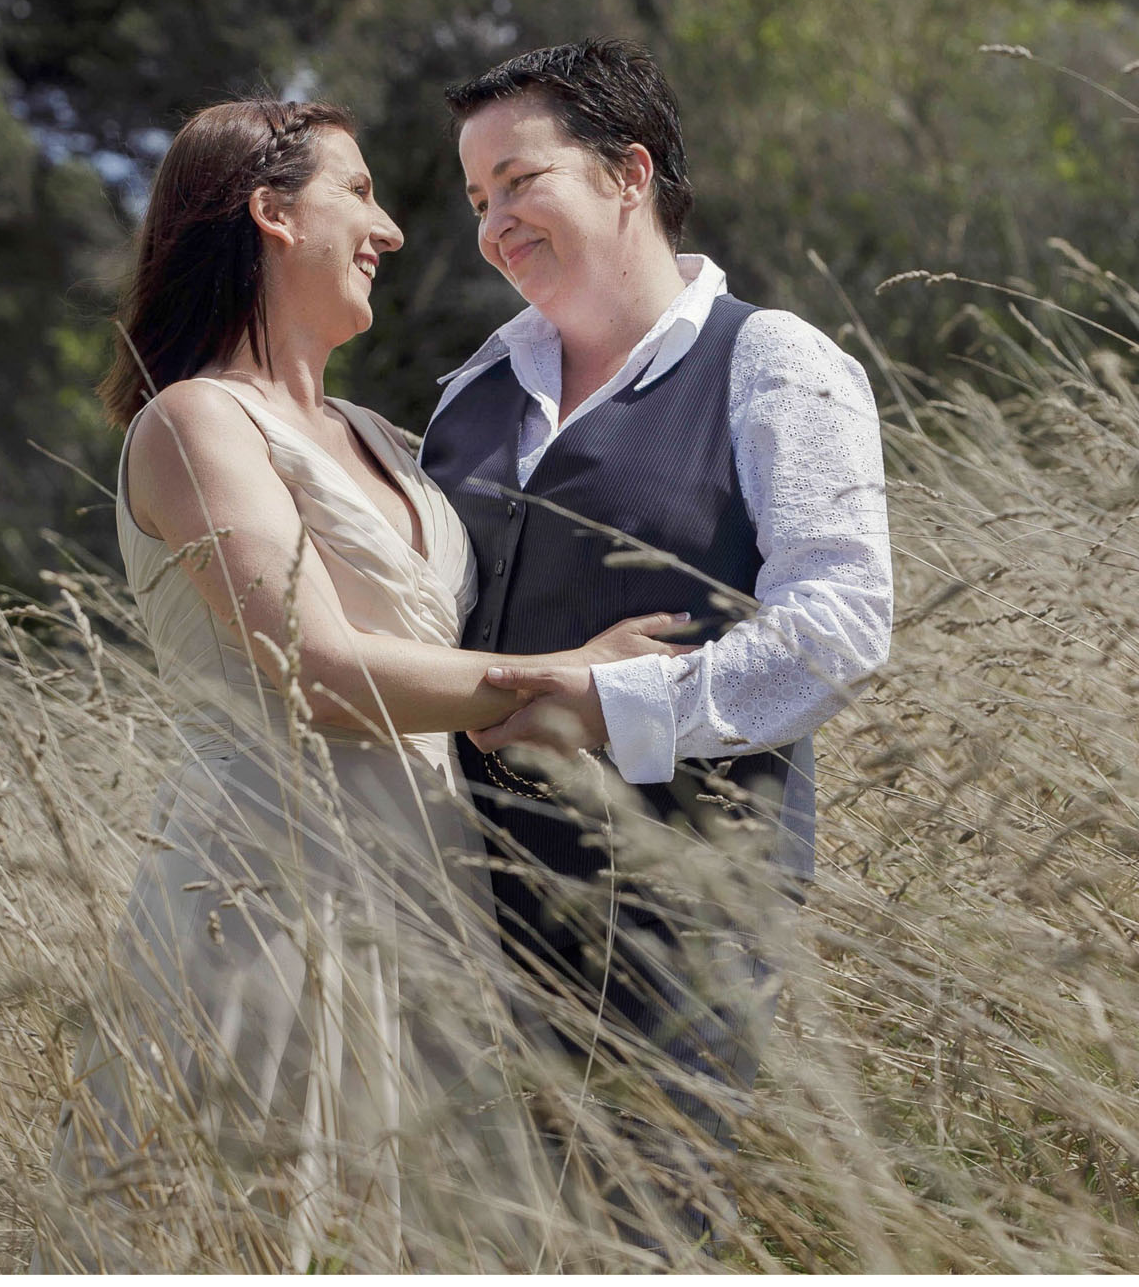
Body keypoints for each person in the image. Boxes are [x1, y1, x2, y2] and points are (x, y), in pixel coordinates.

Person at [44, 97, 688, 1269]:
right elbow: (323, 676)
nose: (390, 230)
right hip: (273, 910)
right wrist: (569, 679)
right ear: (271, 213)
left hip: (431, 906)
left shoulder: (387, 438)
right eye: (360, 193)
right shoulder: (194, 424)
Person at [420, 38, 893, 1236]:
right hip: (461, 903)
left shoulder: (773, 361)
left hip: (682, 905)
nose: (492, 224)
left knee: (639, 1232)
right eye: (478, 200)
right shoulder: (468, 392)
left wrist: (612, 706)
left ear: (628, 171)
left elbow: (839, 623)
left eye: (519, 181)